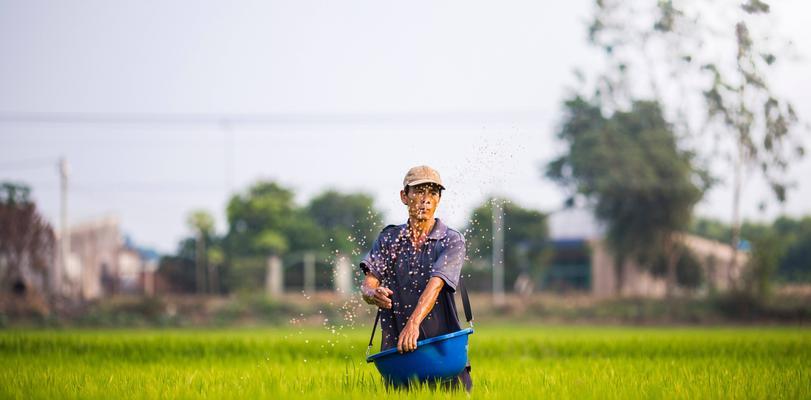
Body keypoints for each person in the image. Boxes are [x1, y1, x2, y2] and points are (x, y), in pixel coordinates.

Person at [359, 165, 472, 391]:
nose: (425, 200)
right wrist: (374, 294)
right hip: (400, 357)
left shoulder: (450, 240)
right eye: (419, 192)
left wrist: (413, 324)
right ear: (404, 196)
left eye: (432, 193)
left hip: (444, 354)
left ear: (439, 199)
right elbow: (368, 284)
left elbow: (436, 284)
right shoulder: (389, 239)